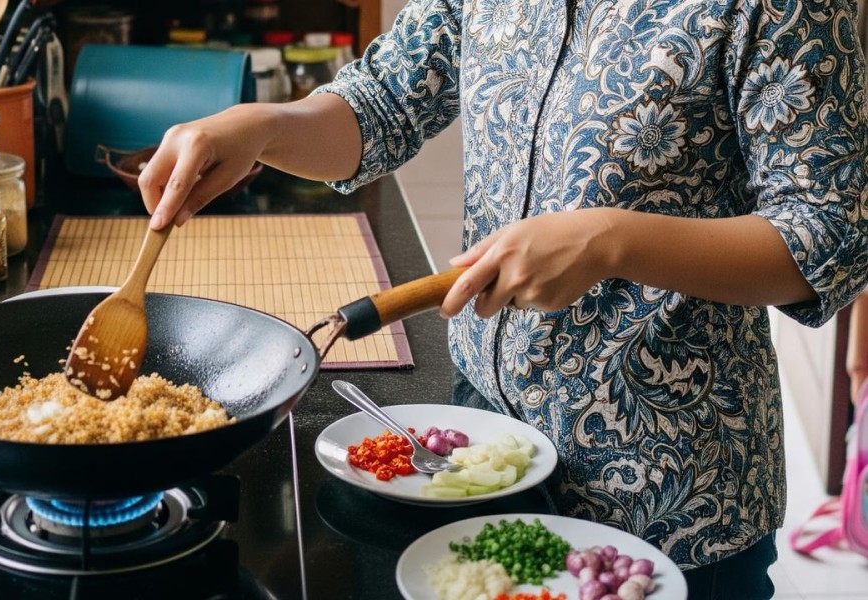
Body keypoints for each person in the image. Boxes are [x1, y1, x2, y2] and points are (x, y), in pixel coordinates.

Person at [139, 1, 868, 597]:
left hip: (670, 489)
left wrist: (611, 240)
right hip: (482, 452)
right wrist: (266, 126)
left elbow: (834, 230)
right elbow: (381, 104)